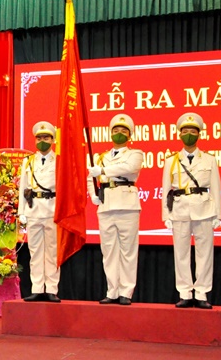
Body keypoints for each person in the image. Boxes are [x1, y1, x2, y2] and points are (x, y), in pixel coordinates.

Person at [162, 112, 221, 309]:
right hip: (179, 209)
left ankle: (202, 292)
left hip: (203, 209)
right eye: (185, 131)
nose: (189, 134)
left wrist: (218, 214)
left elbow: (215, 187)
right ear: (180, 134)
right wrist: (166, 215)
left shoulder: (209, 159)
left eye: (193, 131)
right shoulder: (171, 160)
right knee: (181, 253)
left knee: (205, 253)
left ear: (199, 134)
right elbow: (166, 190)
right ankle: (185, 292)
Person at [87, 114, 143, 306]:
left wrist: (102, 171)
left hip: (127, 203)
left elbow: (128, 168)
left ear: (130, 135)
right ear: (110, 133)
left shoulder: (135, 153)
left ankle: (126, 291)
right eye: (116, 130)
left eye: (123, 131)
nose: (119, 133)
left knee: (128, 251)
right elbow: (90, 177)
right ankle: (112, 290)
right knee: (109, 251)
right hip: (106, 204)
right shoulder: (101, 157)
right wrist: (92, 194)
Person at [18, 121, 60, 303]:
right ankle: (36, 288)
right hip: (33, 208)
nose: (43, 141)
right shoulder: (28, 161)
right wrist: (22, 212)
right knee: (35, 252)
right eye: (39, 138)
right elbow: (23, 188)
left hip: (52, 207)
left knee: (52, 251)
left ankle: (51, 288)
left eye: (46, 137)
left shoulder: (59, 160)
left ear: (53, 140)